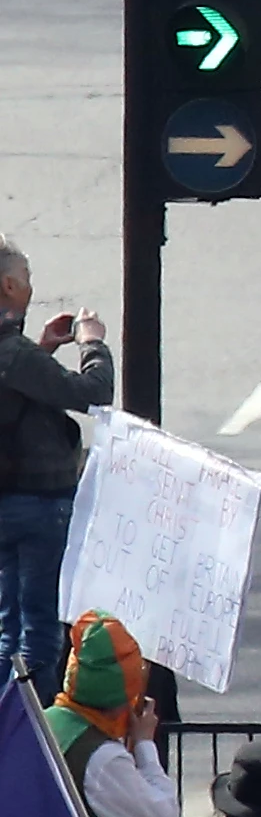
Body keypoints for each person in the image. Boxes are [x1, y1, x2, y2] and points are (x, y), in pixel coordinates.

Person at [0, 243, 113, 692]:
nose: (30, 283)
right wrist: (93, 342)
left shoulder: (17, 352)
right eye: (25, 275)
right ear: (9, 284)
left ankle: (10, 719)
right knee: (41, 629)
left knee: (9, 623)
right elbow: (93, 391)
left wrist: (43, 348)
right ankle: (32, 726)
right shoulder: (13, 353)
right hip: (39, 501)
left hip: (8, 500)